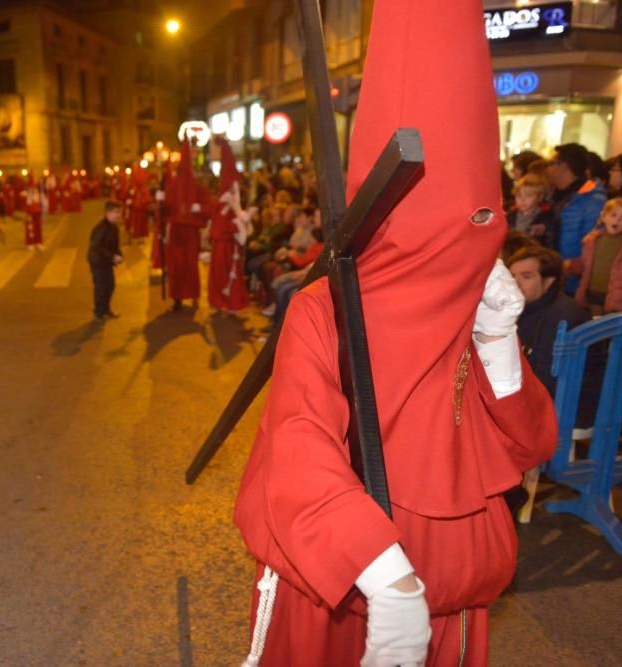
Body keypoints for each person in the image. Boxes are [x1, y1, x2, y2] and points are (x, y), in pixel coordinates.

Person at [233, 3, 557, 665]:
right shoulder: (326, 308)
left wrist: (497, 343)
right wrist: (386, 574)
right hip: (345, 590)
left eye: (483, 220)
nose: (470, 239)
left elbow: (529, 443)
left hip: (457, 594)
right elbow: (299, 442)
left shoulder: (472, 307)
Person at [507, 245, 601, 429]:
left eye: (526, 277)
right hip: (545, 398)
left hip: (566, 408)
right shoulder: (525, 307)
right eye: (512, 277)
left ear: (549, 281)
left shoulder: (562, 317)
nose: (515, 284)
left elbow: (549, 381)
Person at [547, 143, 608, 294]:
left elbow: (595, 244)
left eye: (551, 164)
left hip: (574, 284)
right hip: (552, 276)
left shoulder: (592, 200)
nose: (547, 169)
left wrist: (574, 268)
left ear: (564, 166)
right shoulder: (552, 195)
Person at [571, 197, 622, 314]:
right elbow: (585, 264)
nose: (617, 220)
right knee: (596, 326)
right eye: (613, 215)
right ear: (604, 216)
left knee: (612, 328)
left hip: (620, 298)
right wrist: (570, 266)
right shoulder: (592, 240)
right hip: (593, 293)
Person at [165, 138, 210, 310]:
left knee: (189, 266)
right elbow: (166, 208)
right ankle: (178, 298)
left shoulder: (196, 187)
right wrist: (161, 202)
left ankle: (191, 295)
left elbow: (208, 206)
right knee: (178, 267)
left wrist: (198, 208)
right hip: (178, 233)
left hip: (189, 234)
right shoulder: (173, 187)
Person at [208, 138, 252, 314]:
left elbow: (241, 232)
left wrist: (243, 220)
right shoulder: (224, 207)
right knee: (222, 275)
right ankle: (224, 301)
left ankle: (228, 302)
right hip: (224, 248)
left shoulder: (229, 207)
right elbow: (223, 228)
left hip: (228, 247)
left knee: (227, 275)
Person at [87, 200, 123, 320]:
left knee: (110, 285)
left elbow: (115, 245)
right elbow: (96, 247)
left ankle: (106, 309)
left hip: (106, 261)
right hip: (97, 262)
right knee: (101, 287)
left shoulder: (114, 227)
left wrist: (119, 255)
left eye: (119, 212)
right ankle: (99, 312)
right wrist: (112, 256)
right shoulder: (101, 228)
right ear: (107, 213)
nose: (118, 215)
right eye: (115, 212)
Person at [507, 173, 556, 247]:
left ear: (540, 197)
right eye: (519, 195)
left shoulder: (546, 220)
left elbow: (550, 245)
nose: (522, 200)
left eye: (529, 195)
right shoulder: (510, 216)